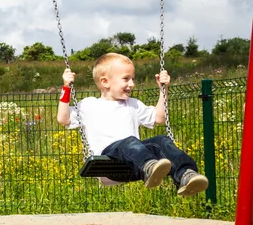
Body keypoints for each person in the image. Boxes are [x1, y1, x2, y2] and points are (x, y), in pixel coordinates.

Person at [57, 53, 208, 196]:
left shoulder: (133, 104)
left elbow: (159, 118)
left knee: (161, 141)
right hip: (109, 164)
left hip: (135, 164)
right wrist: (66, 88)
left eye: (133, 79)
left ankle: (186, 176)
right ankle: (149, 167)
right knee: (128, 142)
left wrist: (164, 90)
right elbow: (63, 119)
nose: (132, 84)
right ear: (105, 82)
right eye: (126, 79)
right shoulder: (89, 105)